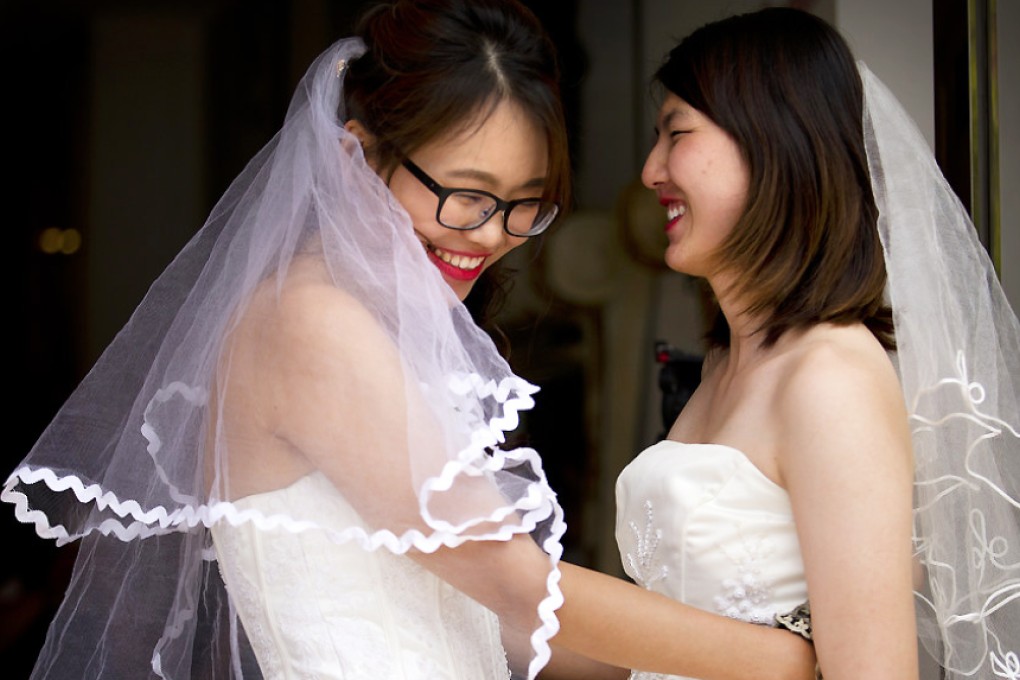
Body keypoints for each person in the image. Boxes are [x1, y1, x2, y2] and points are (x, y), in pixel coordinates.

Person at [1, 1, 819, 679]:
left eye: (526, 204)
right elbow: (511, 580)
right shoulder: (308, 319)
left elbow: (498, 627)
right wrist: (783, 662)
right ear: (357, 156)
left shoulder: (370, 322)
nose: (492, 236)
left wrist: (683, 660)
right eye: (467, 195)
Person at [618, 6, 1020, 679]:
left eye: (676, 133)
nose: (651, 171)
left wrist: (535, 586)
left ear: (775, 142)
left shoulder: (830, 375)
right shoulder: (727, 360)